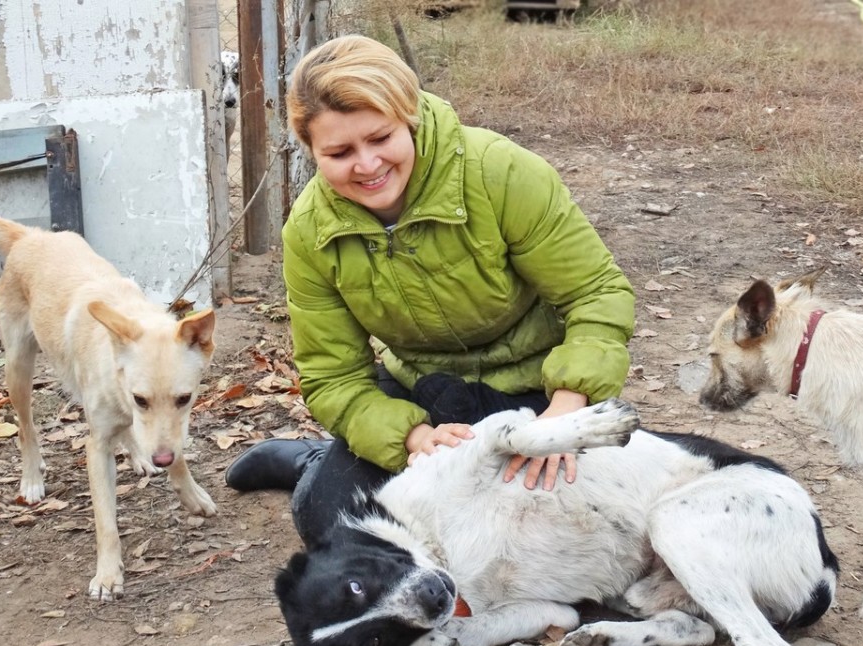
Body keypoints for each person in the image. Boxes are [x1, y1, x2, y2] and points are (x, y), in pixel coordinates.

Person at [225, 34, 635, 546]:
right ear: (310, 150)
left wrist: (566, 411)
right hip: (424, 393)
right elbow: (333, 377)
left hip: (537, 385)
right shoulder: (309, 232)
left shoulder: (498, 171)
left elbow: (596, 293)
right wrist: (414, 440)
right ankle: (316, 461)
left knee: (575, 521)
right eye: (339, 151)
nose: (367, 165)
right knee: (332, 522)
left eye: (380, 138)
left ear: (409, 116)